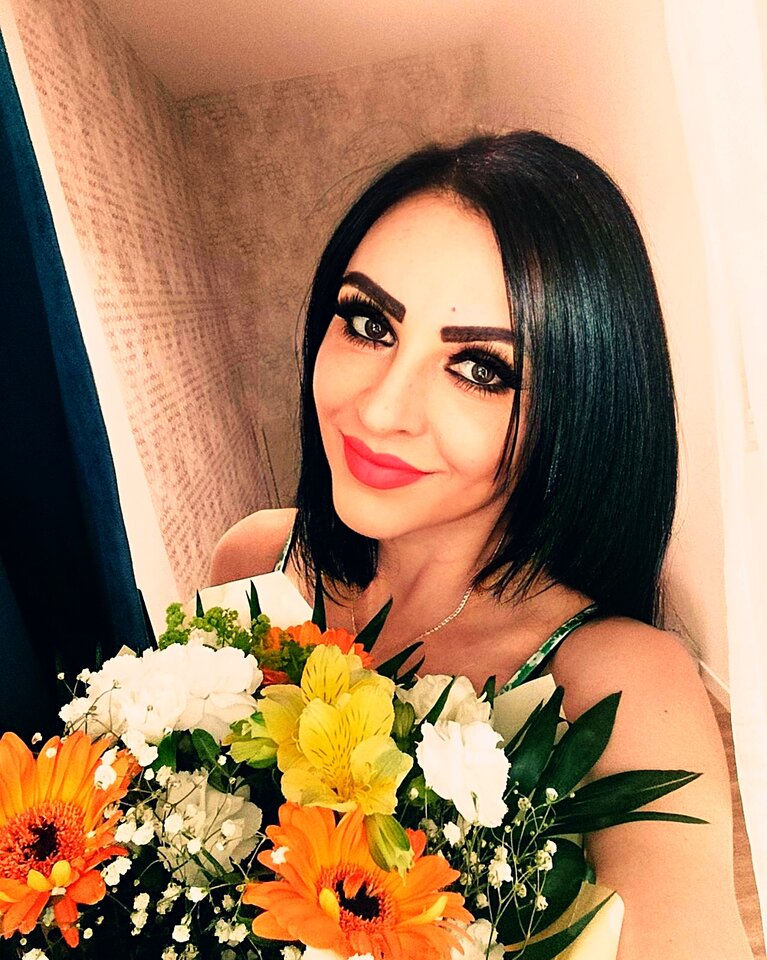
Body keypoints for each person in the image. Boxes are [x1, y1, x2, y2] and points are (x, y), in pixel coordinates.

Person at [210, 131, 753, 959]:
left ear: (576, 410)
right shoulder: (254, 562)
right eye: (367, 323)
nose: (380, 409)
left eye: (480, 369)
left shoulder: (616, 683)